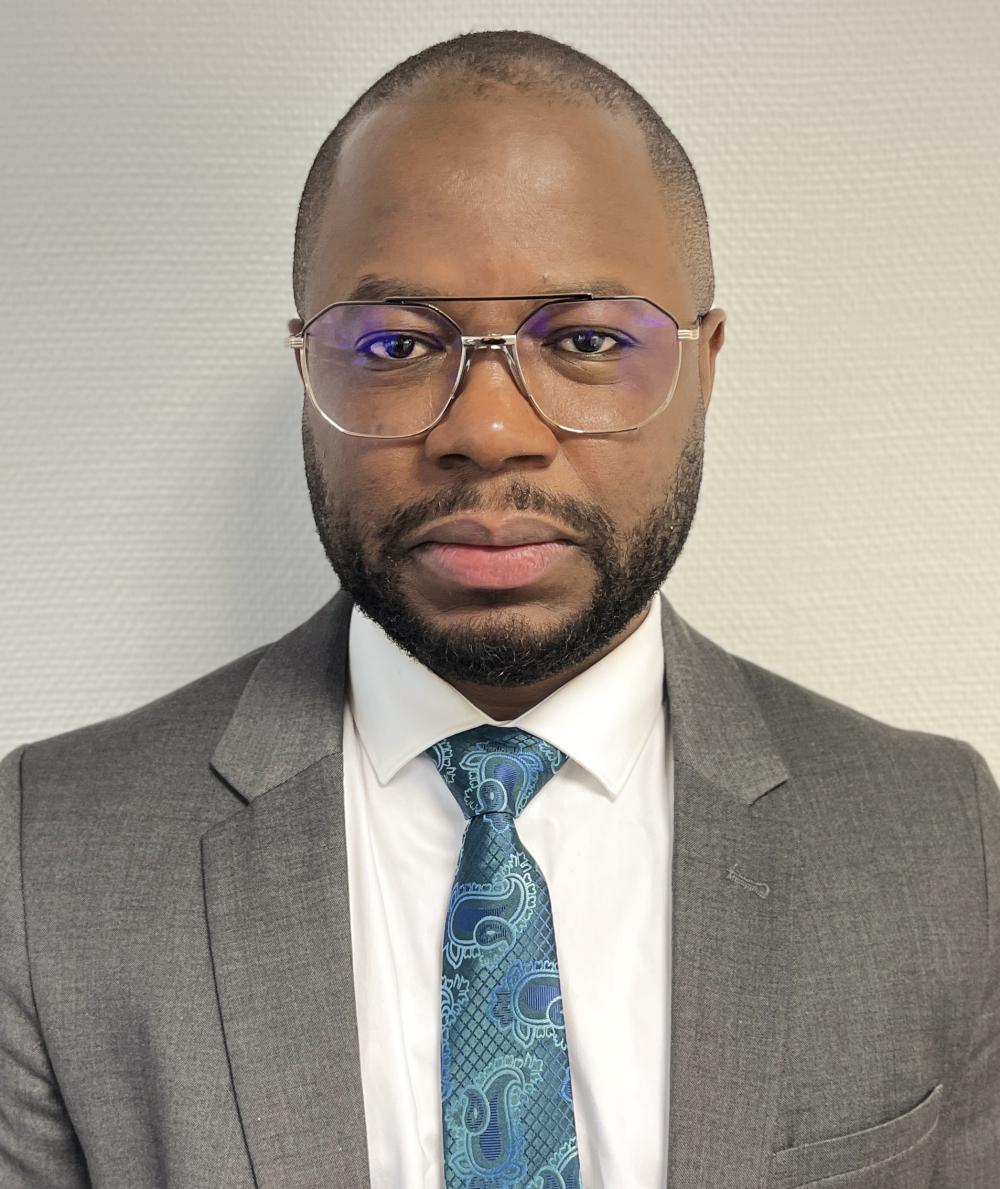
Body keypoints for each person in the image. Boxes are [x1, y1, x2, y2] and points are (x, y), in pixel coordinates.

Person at [1, 27, 996, 1189]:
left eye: (584, 340)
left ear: (703, 366)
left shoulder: (937, 840)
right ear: (308, 373)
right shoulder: (46, 863)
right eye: (394, 344)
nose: (486, 430)